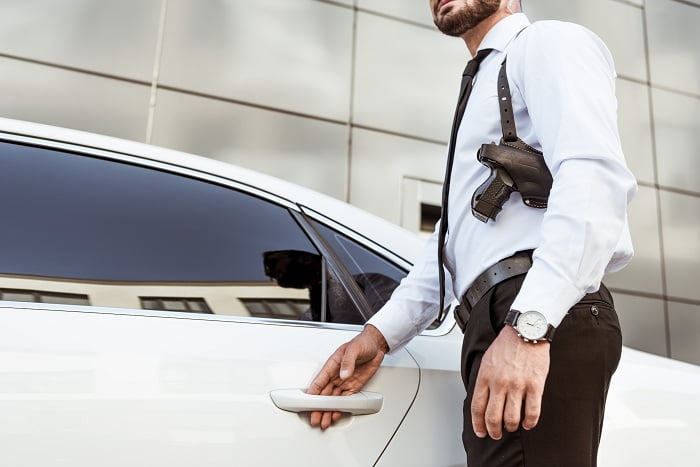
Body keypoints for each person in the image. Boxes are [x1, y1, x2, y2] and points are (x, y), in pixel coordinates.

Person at [306, 0, 636, 466]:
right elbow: (451, 243)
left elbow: (594, 180)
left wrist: (529, 329)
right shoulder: (482, 83)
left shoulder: (546, 43)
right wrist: (380, 334)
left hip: (534, 309)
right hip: (494, 316)